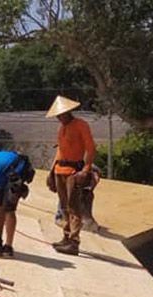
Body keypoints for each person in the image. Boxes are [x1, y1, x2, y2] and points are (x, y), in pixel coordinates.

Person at [45, 95, 95, 255]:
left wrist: (85, 170)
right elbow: (59, 151)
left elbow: (91, 148)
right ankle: (66, 237)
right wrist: (51, 172)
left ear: (69, 111)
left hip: (74, 172)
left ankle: (74, 242)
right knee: (64, 207)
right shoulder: (61, 128)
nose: (60, 117)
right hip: (60, 170)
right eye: (58, 115)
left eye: (61, 114)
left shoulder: (81, 125)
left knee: (74, 208)